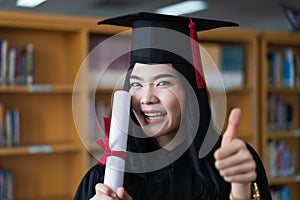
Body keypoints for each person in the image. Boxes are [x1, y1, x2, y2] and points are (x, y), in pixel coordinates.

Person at [74, 12, 272, 200]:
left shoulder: (232, 164)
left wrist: (240, 190)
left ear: (192, 91)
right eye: (136, 84)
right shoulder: (103, 178)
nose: (147, 98)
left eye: (162, 83)